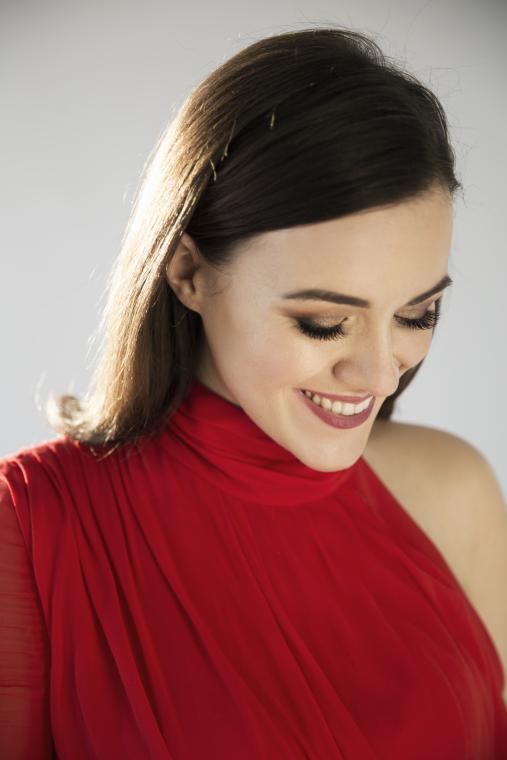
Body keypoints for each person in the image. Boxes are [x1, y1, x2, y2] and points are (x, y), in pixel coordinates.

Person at [1, 26, 506, 759]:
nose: (379, 374)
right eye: (324, 323)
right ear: (188, 273)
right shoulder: (29, 526)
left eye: (417, 314)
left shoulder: (453, 492)